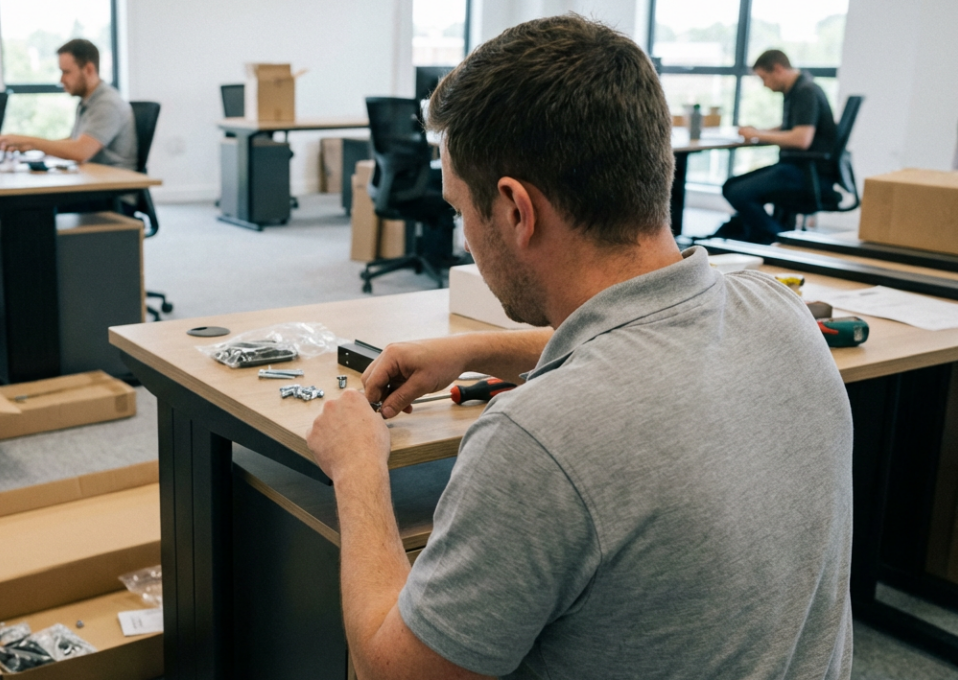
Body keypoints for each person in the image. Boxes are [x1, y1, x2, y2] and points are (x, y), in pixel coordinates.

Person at [305, 15, 852, 680]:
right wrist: (479, 349)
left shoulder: (537, 441)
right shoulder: (782, 314)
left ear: (515, 210)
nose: (463, 233)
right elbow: (647, 340)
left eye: (459, 211)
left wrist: (357, 469)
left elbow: (392, 673)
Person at [713, 49, 838, 243]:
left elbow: (801, 139)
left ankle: (775, 238)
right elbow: (792, 127)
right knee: (731, 185)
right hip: (801, 170)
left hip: (807, 174)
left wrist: (757, 134)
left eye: (764, 78)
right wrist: (760, 132)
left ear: (778, 69)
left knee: (736, 192)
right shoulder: (798, 89)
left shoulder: (806, 91)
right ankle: (754, 234)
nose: (765, 85)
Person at [0, 39, 137, 169]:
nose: (61, 80)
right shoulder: (87, 101)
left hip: (113, 191)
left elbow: (81, 151)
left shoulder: (107, 104)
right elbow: (74, 142)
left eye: (66, 72)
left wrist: (32, 142)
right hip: (93, 182)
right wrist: (29, 146)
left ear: (89, 69)